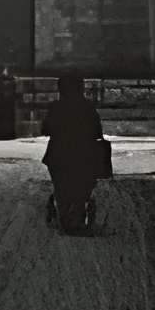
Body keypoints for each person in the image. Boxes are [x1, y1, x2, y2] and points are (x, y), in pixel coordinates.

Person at [42, 70, 105, 226]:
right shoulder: (88, 107)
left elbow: (45, 130)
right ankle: (77, 212)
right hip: (85, 153)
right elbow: (98, 131)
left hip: (59, 153)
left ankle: (63, 212)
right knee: (82, 186)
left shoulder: (55, 107)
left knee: (61, 185)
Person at [0, 64, 18, 140]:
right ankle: (3, 135)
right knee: (3, 120)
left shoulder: (10, 80)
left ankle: (6, 135)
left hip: (6, 105)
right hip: (2, 104)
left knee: (7, 120)